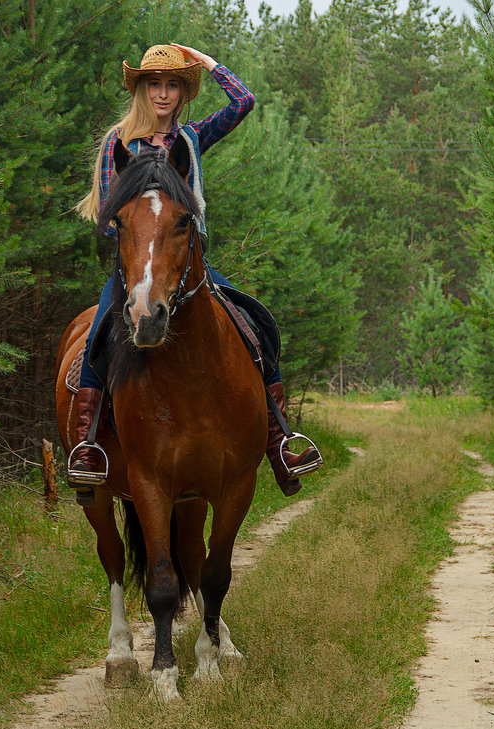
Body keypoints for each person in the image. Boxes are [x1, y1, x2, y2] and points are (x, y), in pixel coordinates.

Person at [71, 43, 322, 498]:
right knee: (97, 338)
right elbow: (110, 219)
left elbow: (243, 101)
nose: (163, 94)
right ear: (142, 90)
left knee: (255, 324)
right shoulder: (118, 142)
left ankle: (278, 440)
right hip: (136, 269)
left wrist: (206, 62)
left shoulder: (191, 139)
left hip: (189, 266)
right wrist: (143, 247)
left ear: (184, 93)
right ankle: (89, 446)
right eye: (155, 85)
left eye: (173, 85)